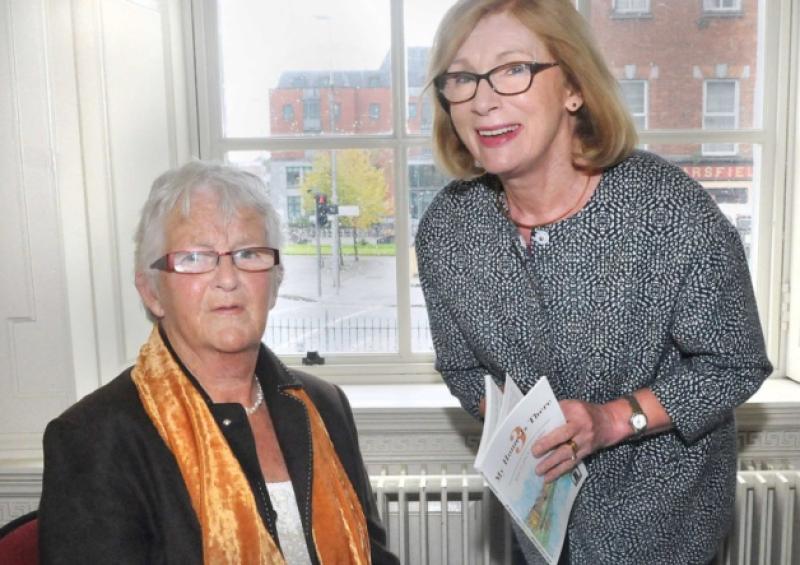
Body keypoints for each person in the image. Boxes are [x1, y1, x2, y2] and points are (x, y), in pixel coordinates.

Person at [415, 1, 772, 563]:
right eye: (461, 77)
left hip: (667, 532)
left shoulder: (667, 209)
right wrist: (525, 429)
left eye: (513, 69)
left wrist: (608, 420)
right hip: (543, 529)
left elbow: (735, 363)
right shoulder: (447, 229)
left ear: (573, 87)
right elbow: (463, 370)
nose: (483, 100)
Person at [39, 161, 399, 564]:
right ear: (151, 291)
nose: (227, 278)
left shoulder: (323, 405)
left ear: (275, 282)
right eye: (195, 257)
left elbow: (374, 555)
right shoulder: (93, 437)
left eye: (249, 253)